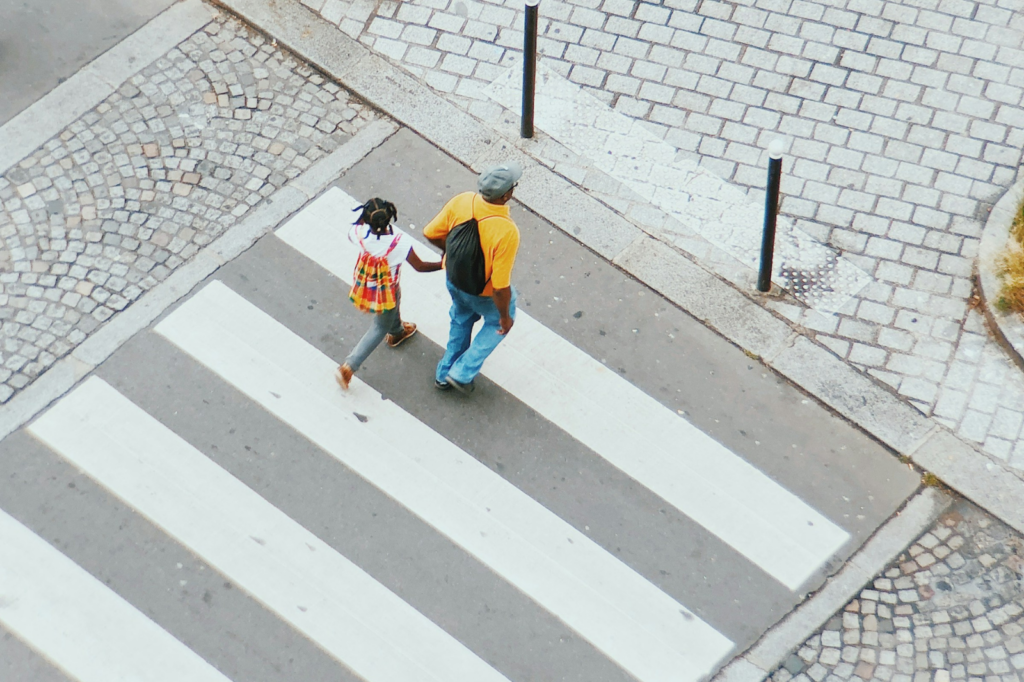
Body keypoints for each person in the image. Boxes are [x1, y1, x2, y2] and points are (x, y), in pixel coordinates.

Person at [423, 162, 522, 394]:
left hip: (454, 279)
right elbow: (500, 287)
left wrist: (449, 253)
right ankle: (461, 372)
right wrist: (505, 318)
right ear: (505, 195)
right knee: (496, 324)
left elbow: (430, 232)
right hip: (483, 294)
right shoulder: (507, 231)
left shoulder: (462, 200)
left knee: (461, 319)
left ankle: (443, 375)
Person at [336, 197, 441, 390]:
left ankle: (397, 332)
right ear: (390, 217)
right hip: (386, 291)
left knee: (392, 311)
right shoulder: (399, 242)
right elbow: (420, 266)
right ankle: (349, 367)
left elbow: (356, 226)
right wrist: (443, 264)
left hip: (368, 285)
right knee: (379, 326)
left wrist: (364, 216)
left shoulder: (359, 234)